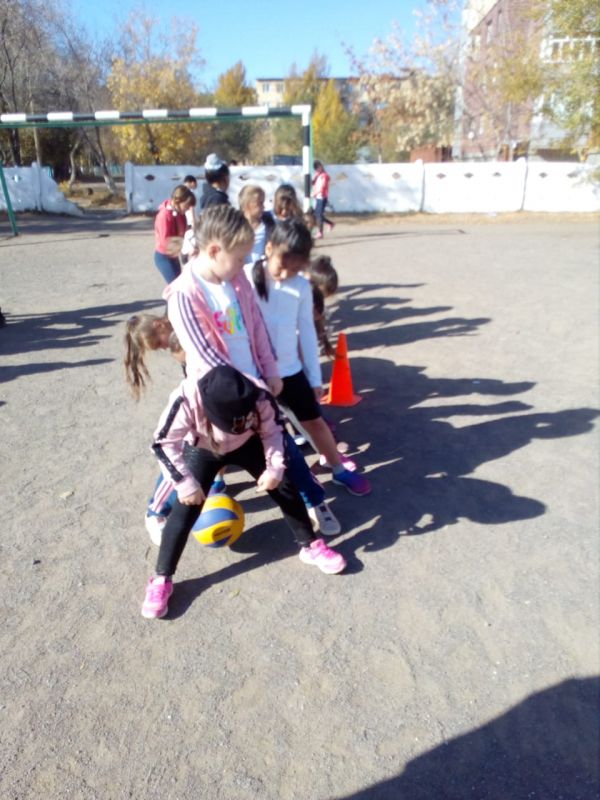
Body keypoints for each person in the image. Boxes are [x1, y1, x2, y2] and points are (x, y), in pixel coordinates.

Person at [141, 365, 347, 619]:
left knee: (284, 486)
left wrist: (274, 469)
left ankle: (310, 546)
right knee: (185, 510)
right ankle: (161, 579)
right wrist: (185, 484)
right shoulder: (185, 398)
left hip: (248, 444)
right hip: (203, 449)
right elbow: (162, 444)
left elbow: (274, 431)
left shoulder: (258, 393)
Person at [247, 219, 371, 496]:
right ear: (268, 248)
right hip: (251, 372)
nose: (285, 274)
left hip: (289, 371)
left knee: (314, 421)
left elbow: (306, 333)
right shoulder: (244, 278)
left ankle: (338, 469)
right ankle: (216, 479)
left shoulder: (301, 287)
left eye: (294, 269)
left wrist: (315, 379)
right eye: (282, 266)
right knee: (236, 429)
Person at [153, 185, 196, 283]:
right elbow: (166, 242)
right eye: (186, 205)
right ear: (178, 201)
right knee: (177, 285)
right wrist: (186, 247)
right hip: (164, 256)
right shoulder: (165, 215)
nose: (188, 209)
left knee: (181, 283)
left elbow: (183, 230)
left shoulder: (179, 213)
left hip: (173, 255)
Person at [238, 184, 275, 265]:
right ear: (248, 205)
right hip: (240, 270)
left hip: (260, 269)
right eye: (260, 203)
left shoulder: (269, 225)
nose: (263, 207)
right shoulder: (235, 226)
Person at [312, 160, 335, 239]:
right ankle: (330, 224)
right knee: (317, 214)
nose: (317, 169)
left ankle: (320, 232)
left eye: (318, 167)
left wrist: (316, 193)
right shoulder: (317, 175)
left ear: (321, 167)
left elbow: (323, 186)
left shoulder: (324, 176)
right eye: (316, 168)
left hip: (322, 197)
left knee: (319, 215)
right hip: (318, 197)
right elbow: (314, 184)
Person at [181, 175, 200, 264]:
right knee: (192, 242)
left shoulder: (180, 191)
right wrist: (194, 223)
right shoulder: (189, 193)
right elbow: (191, 208)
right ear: (192, 183)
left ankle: (184, 258)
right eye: (195, 184)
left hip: (183, 220)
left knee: (186, 242)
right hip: (190, 221)